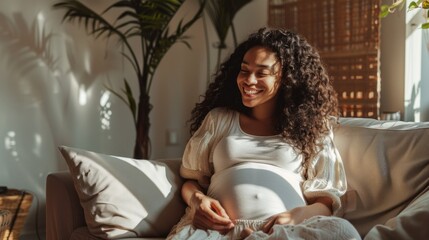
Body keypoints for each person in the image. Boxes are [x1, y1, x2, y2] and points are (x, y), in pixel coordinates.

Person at [167, 27, 360, 240]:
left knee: (344, 231)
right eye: (244, 70)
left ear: (287, 78)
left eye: (262, 73)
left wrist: (299, 214)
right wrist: (197, 201)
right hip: (220, 232)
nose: (249, 80)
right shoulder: (219, 119)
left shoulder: (312, 128)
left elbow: (326, 201)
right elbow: (191, 180)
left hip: (284, 233)